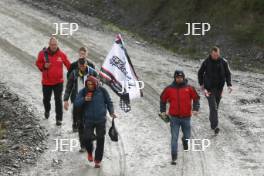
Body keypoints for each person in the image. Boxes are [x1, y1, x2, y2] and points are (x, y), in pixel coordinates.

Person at [74, 76, 117, 168]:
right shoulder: (83, 91)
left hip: (101, 120)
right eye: (88, 84)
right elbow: (76, 103)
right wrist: (84, 99)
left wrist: (112, 112)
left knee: (101, 139)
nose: (90, 86)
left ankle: (97, 160)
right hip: (88, 120)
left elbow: (109, 102)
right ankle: (90, 152)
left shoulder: (102, 91)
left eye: (92, 84)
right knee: (86, 138)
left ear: (96, 84)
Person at [160, 70, 200, 165]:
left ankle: (184, 141)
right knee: (174, 137)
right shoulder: (169, 89)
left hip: (186, 118)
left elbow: (196, 98)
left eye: (181, 77)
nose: (179, 79)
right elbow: (162, 99)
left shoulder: (189, 88)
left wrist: (195, 108)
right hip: (174, 118)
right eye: (177, 77)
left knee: (187, 136)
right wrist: (162, 111)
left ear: (183, 78)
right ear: (175, 78)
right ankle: (174, 157)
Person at [63, 58, 98, 152]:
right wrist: (65, 100)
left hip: (90, 101)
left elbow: (98, 86)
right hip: (78, 101)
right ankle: (83, 145)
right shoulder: (74, 73)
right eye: (80, 66)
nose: (82, 68)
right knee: (80, 123)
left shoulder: (93, 73)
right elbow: (68, 87)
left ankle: (91, 136)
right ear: (78, 65)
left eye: (84, 66)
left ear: (87, 64)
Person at [36, 37, 71, 126]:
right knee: (46, 100)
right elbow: (38, 63)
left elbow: (69, 65)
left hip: (58, 82)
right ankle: (47, 111)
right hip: (46, 82)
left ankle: (59, 119)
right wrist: (44, 66)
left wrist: (76, 72)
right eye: (52, 44)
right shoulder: (42, 54)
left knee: (58, 100)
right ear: (49, 44)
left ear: (57, 45)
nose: (54, 46)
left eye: (55, 44)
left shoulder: (61, 54)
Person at [198, 46, 232, 135]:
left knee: (215, 108)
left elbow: (228, 74)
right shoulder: (206, 62)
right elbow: (200, 73)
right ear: (211, 53)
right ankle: (215, 127)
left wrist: (229, 85)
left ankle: (212, 121)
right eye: (214, 55)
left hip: (219, 89)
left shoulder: (224, 62)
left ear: (219, 54)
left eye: (217, 55)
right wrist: (201, 84)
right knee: (213, 107)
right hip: (208, 89)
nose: (215, 56)